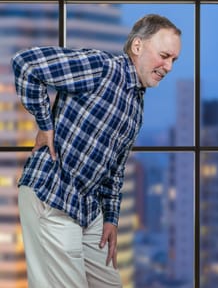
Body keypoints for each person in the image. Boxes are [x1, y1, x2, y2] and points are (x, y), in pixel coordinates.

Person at [12, 14, 181, 288]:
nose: (169, 67)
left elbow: (115, 169)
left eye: (174, 60)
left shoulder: (136, 105)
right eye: (164, 55)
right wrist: (45, 125)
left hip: (88, 209)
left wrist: (111, 219)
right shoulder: (101, 68)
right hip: (52, 194)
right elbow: (26, 64)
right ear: (137, 46)